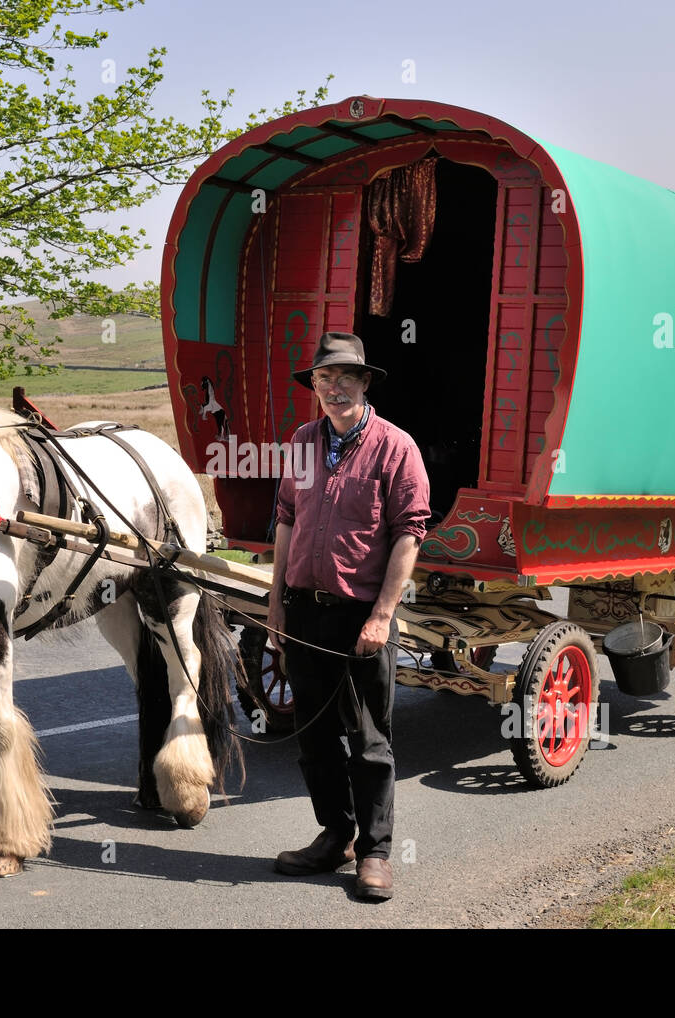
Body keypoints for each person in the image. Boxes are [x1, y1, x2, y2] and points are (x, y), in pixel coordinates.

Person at [267, 331, 430, 902]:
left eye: (344, 379)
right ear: (314, 387)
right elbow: (286, 518)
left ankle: (375, 853)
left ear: (364, 383)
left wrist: (382, 616)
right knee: (313, 737)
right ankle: (334, 835)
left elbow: (409, 534)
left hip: (361, 616)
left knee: (368, 740)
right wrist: (275, 604)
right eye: (322, 380)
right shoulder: (303, 443)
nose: (333, 389)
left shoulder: (395, 448)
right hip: (305, 611)